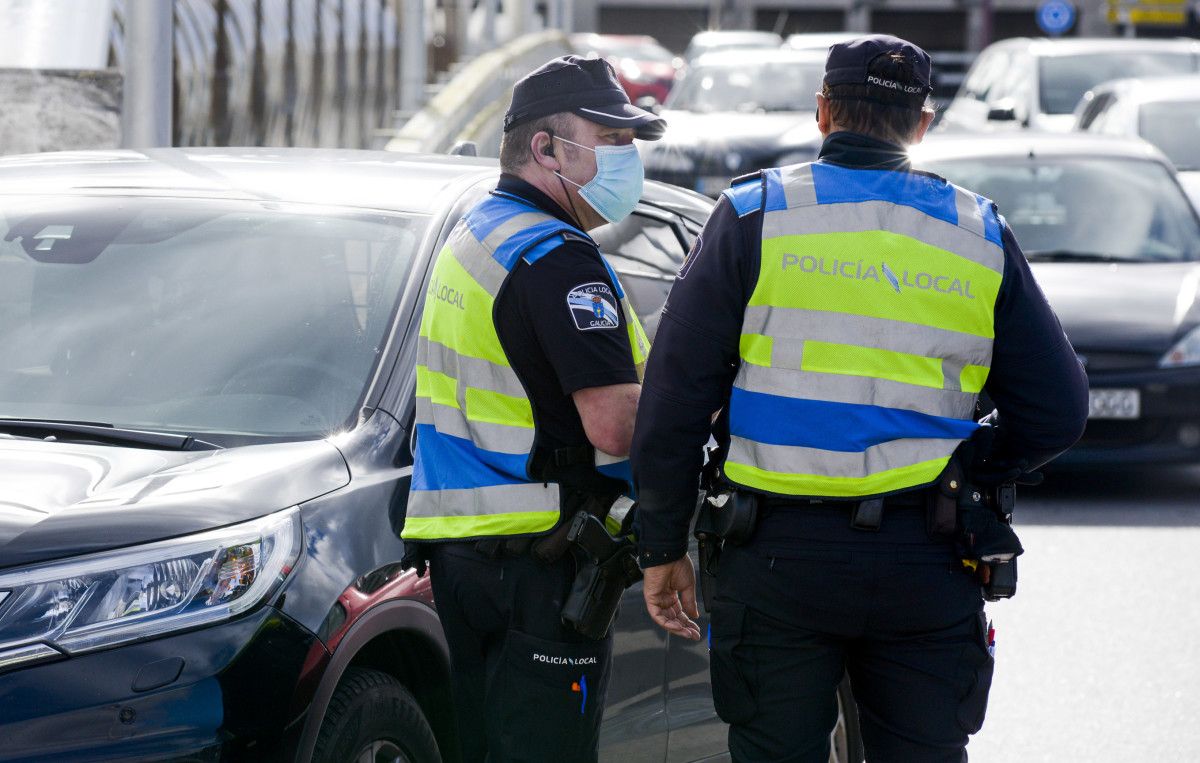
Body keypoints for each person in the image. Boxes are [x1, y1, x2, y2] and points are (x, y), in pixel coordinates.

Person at [631, 35, 1089, 762]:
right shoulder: (978, 231)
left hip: (777, 559)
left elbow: (673, 399)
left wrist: (661, 545)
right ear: (922, 126)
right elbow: (1059, 410)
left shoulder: (754, 214)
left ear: (822, 113)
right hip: (928, 557)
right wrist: (973, 461)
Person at [400, 55, 665, 762]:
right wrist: (682, 409)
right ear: (546, 148)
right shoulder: (559, 258)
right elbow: (614, 422)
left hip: (465, 559)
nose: (625, 156)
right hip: (543, 564)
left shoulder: (475, 234)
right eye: (609, 139)